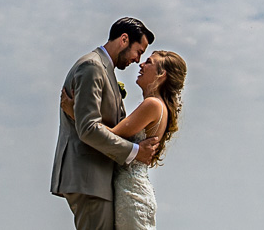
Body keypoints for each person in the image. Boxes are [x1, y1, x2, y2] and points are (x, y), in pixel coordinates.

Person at [50, 18, 159, 230]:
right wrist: (135, 151)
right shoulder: (92, 66)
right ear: (124, 39)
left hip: (97, 179)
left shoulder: (103, 69)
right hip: (89, 177)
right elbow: (88, 129)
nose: (138, 60)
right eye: (139, 51)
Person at [63, 47, 186, 230]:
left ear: (162, 75)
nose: (141, 64)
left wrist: (75, 113)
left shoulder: (152, 104)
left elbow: (111, 135)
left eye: (149, 62)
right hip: (128, 190)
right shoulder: (157, 105)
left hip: (131, 194)